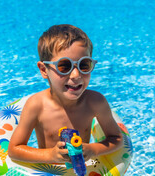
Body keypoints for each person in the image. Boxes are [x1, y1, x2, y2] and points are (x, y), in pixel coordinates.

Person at [8, 24, 123, 164]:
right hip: (50, 175)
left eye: (84, 64)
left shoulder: (95, 102)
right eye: (64, 66)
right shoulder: (36, 105)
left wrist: (93, 149)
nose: (76, 75)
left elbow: (116, 139)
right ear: (44, 70)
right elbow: (14, 149)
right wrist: (50, 155)